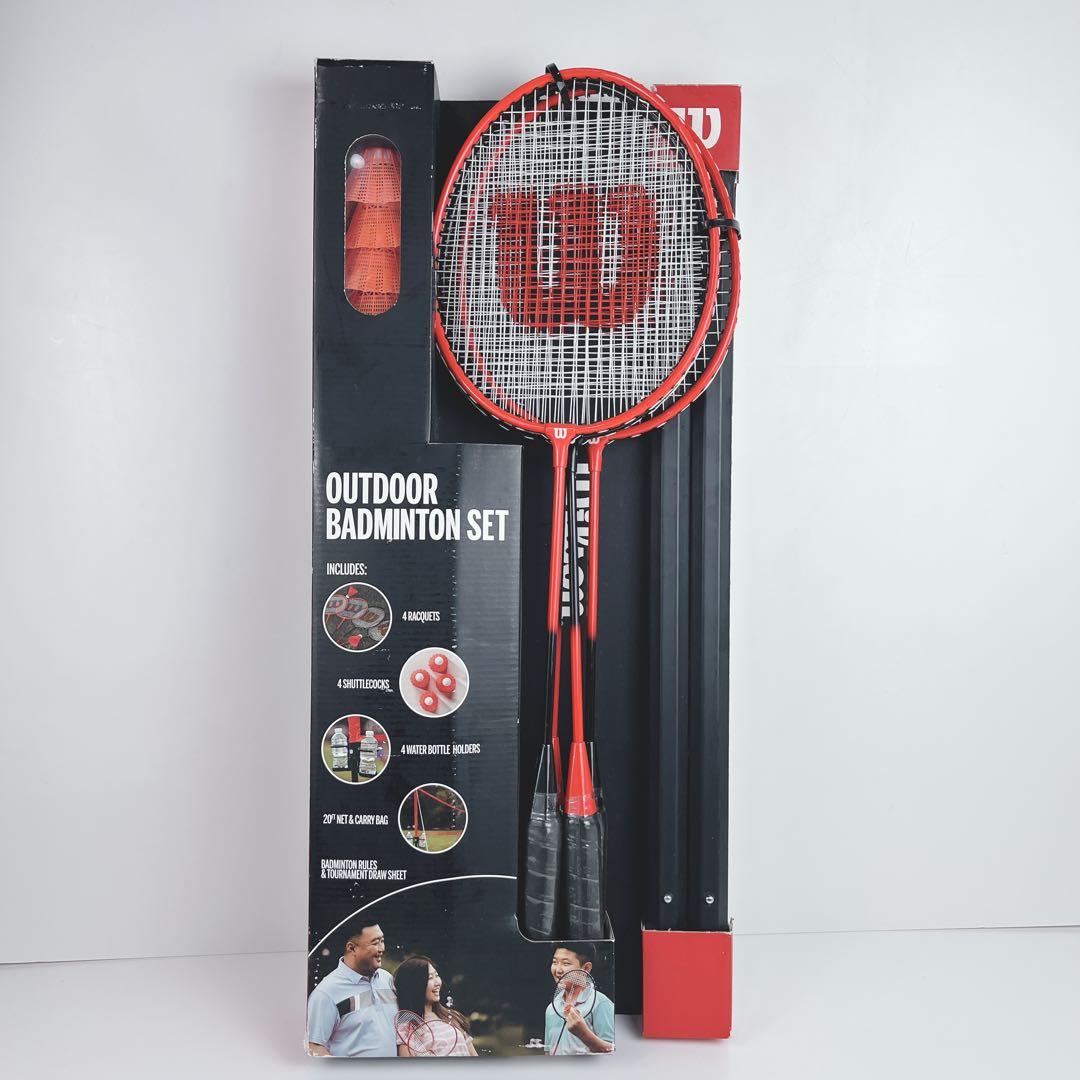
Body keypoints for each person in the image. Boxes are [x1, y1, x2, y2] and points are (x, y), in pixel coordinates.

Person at [306, 921, 397, 1057]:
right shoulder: (325, 993)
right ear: (352, 948)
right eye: (375, 943)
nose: (381, 948)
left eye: (382, 941)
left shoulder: (388, 979)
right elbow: (314, 1047)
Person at [393, 955, 477, 1057]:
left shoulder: (451, 1017)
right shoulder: (407, 1029)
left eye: (436, 976)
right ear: (415, 985)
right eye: (430, 978)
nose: (437, 982)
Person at [544, 942, 615, 1054]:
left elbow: (612, 1051)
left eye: (566, 963)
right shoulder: (551, 1008)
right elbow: (548, 1052)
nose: (558, 970)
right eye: (555, 962)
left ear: (586, 968)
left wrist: (583, 1034)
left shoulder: (601, 1004)